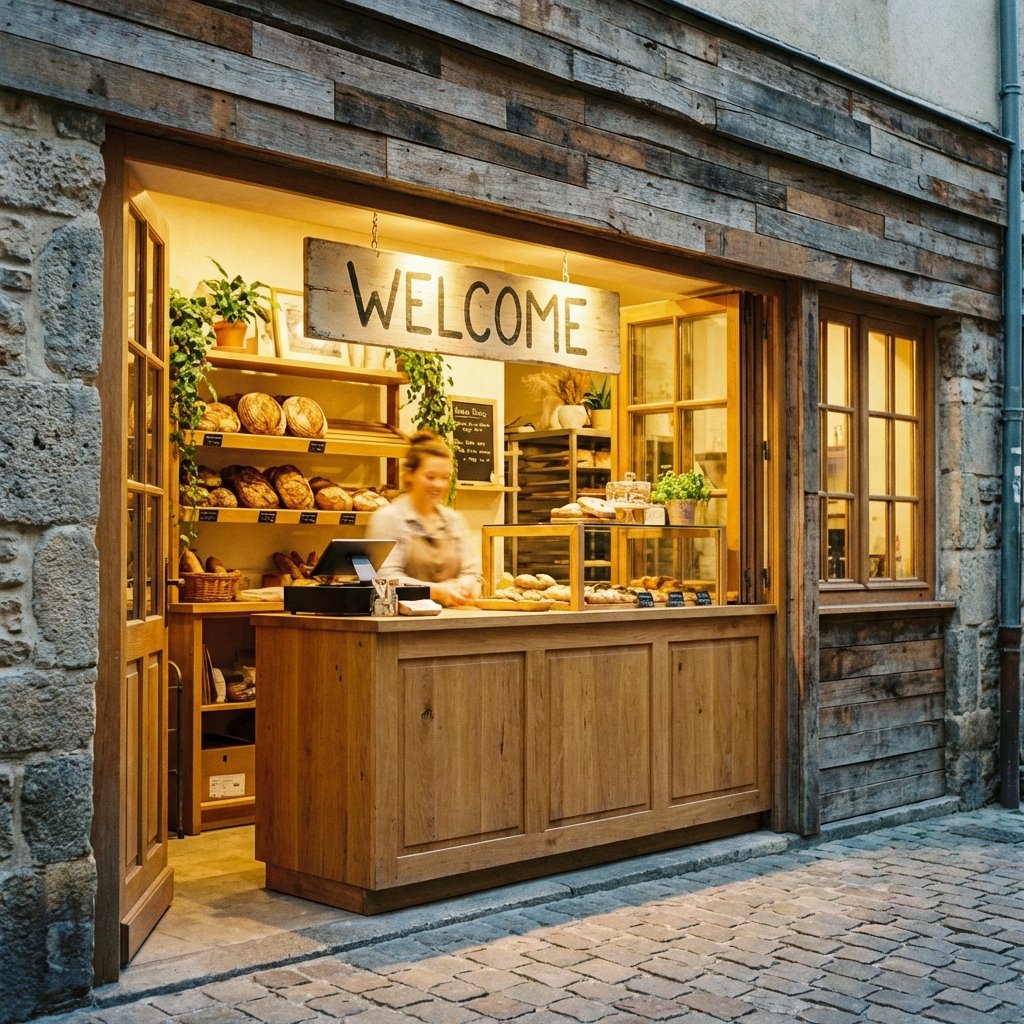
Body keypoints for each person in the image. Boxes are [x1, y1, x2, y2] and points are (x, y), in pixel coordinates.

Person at [367, 430, 483, 606]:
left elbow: (473, 573)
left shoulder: (453, 520)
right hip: (402, 625)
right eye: (430, 477)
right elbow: (385, 578)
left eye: (445, 478)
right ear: (409, 475)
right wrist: (435, 591)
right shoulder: (388, 519)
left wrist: (464, 587)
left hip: (454, 622)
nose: (439, 485)